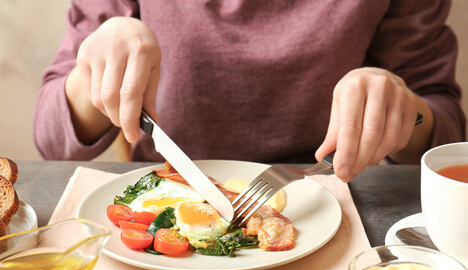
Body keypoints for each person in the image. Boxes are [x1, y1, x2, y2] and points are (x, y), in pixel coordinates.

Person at [34, 0, 465, 183]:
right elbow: (51, 138)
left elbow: (446, 132)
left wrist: (407, 109)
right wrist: (97, 70)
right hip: (165, 196)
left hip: (332, 198)